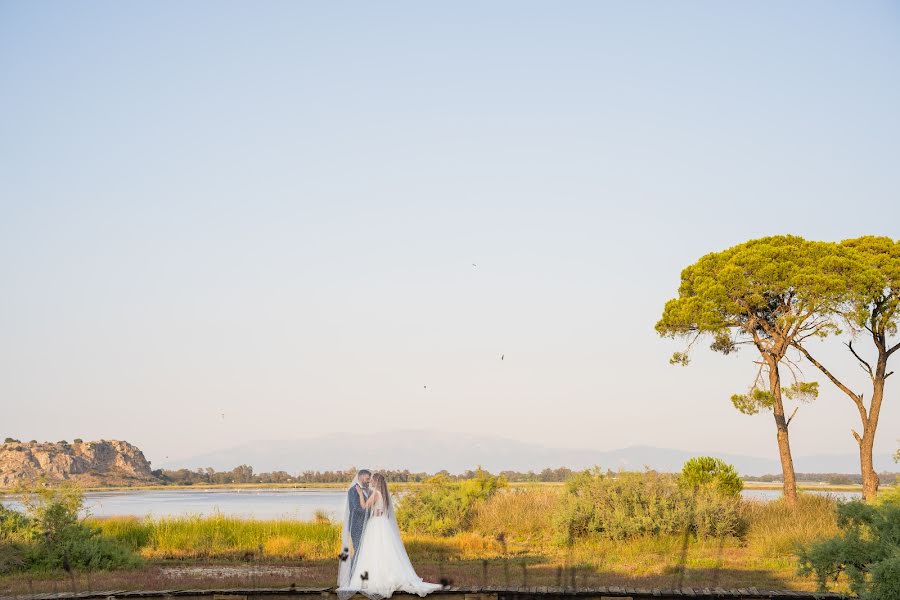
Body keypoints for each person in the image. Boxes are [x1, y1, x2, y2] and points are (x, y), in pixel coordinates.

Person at [338, 472, 442, 599]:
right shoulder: (383, 494)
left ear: (376, 482)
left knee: (374, 551)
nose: (370, 481)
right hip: (383, 523)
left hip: (375, 524)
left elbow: (364, 506)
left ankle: (374, 578)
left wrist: (360, 494)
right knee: (385, 550)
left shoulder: (375, 494)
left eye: (372, 480)